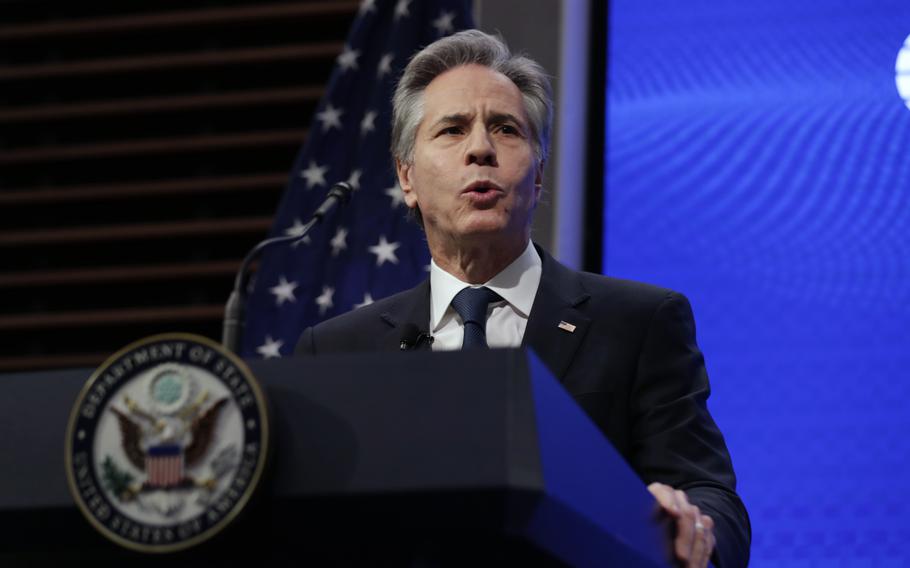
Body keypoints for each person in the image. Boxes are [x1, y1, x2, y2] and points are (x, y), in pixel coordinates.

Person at [296, 29, 750, 567]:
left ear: (537, 174)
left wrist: (686, 524)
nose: (481, 149)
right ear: (407, 177)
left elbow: (712, 497)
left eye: (506, 129)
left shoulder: (639, 323)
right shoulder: (340, 352)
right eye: (452, 130)